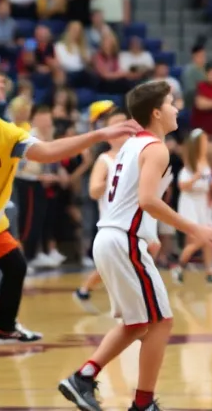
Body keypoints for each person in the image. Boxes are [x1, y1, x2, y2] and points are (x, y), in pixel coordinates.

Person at [58, 81, 212, 411]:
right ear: (156, 112)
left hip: (114, 239)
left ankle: (85, 378)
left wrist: (149, 237)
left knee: (138, 323)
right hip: (123, 241)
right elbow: (147, 200)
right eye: (171, 103)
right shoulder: (156, 149)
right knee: (161, 322)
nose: (177, 108)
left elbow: (136, 199)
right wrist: (194, 227)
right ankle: (141, 404)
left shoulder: (133, 146)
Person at [0, 69, 136, 344]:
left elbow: (49, 151)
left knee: (15, 267)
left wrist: (98, 135)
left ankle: (6, 326)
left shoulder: (8, 134)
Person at [74, 101, 133, 309]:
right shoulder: (104, 159)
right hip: (113, 220)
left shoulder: (136, 155)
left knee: (129, 260)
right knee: (118, 263)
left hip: (135, 217)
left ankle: (86, 292)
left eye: (124, 123)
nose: (121, 129)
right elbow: (93, 191)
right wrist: (107, 179)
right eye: (115, 125)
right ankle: (121, 305)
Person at [172, 129, 212, 285]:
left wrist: (211, 194)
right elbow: (183, 186)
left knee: (210, 238)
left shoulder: (207, 162)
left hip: (203, 203)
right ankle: (179, 267)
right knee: (198, 239)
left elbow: (207, 185)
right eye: (204, 140)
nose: (207, 143)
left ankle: (211, 272)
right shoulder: (189, 165)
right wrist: (196, 177)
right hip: (190, 203)